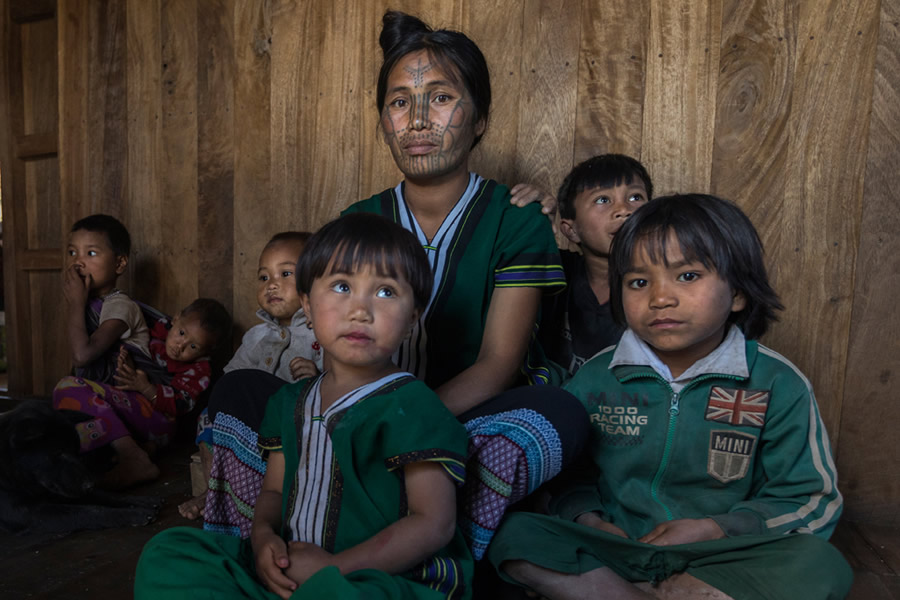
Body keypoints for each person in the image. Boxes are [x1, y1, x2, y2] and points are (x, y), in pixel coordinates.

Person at [202, 9, 588, 562]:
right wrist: (344, 418)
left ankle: (422, 543)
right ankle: (274, 551)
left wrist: (393, 426)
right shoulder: (359, 220)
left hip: (458, 418)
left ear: (479, 118)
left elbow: (498, 364)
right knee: (239, 394)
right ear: (383, 119)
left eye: (441, 97)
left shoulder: (514, 218)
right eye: (400, 102)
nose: (418, 120)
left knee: (557, 415)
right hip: (346, 412)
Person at [486, 194, 853, 600]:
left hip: (722, 552)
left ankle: (655, 590)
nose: (660, 298)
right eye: (639, 282)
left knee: (820, 564)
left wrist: (716, 528)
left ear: (737, 293)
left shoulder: (777, 381)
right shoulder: (597, 376)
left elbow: (810, 498)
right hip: (617, 547)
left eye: (688, 276)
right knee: (513, 533)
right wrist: (589, 520)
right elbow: (568, 476)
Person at [135, 213, 473, 600]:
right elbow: (275, 494)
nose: (360, 310)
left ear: (412, 319)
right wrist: (263, 539)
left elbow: (434, 524)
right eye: (342, 286)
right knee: (169, 554)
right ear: (308, 307)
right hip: (292, 572)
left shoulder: (413, 406)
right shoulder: (289, 401)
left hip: (379, 581)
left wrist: (334, 569)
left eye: (385, 292)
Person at [182, 232, 323, 521]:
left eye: (285, 274)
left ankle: (264, 495)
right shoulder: (255, 337)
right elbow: (231, 382)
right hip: (248, 427)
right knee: (209, 415)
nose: (272, 284)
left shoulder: (320, 334)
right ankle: (216, 489)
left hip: (292, 428)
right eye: (263, 277)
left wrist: (317, 376)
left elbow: (342, 387)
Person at [53, 298, 231, 489]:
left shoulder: (199, 370)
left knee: (68, 387)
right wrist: (129, 364)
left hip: (160, 421)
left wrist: (144, 387)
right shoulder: (159, 330)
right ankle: (139, 450)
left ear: (207, 351)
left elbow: (180, 404)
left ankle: (132, 457)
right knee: (78, 431)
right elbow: (140, 352)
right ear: (176, 318)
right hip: (137, 411)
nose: (180, 346)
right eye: (181, 333)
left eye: (193, 346)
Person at [540, 154, 653, 379]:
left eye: (636, 197)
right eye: (603, 200)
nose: (624, 210)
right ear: (570, 230)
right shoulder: (557, 271)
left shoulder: (663, 288)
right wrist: (535, 219)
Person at [64, 214, 150, 384]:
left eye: (91, 253)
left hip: (127, 397)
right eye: (72, 252)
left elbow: (82, 356)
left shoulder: (121, 306)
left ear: (119, 264)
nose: (78, 262)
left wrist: (75, 303)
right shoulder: (86, 301)